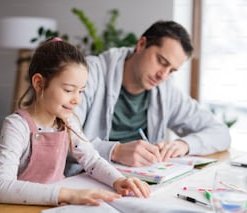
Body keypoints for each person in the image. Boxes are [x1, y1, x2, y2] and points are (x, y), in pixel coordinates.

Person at [0, 38, 150, 207]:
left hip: (58, 206)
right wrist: (68, 194)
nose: (77, 100)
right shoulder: (17, 126)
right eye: (68, 90)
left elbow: (92, 161)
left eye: (81, 91)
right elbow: (0, 187)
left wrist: (118, 180)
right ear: (39, 83)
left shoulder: (68, 122)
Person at [65, 20, 231, 176]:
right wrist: (114, 151)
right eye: (161, 61)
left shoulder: (166, 91)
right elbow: (57, 134)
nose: (163, 75)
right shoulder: (88, 73)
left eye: (172, 70)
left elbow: (221, 133)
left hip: (136, 182)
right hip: (83, 180)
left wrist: (184, 145)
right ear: (141, 44)